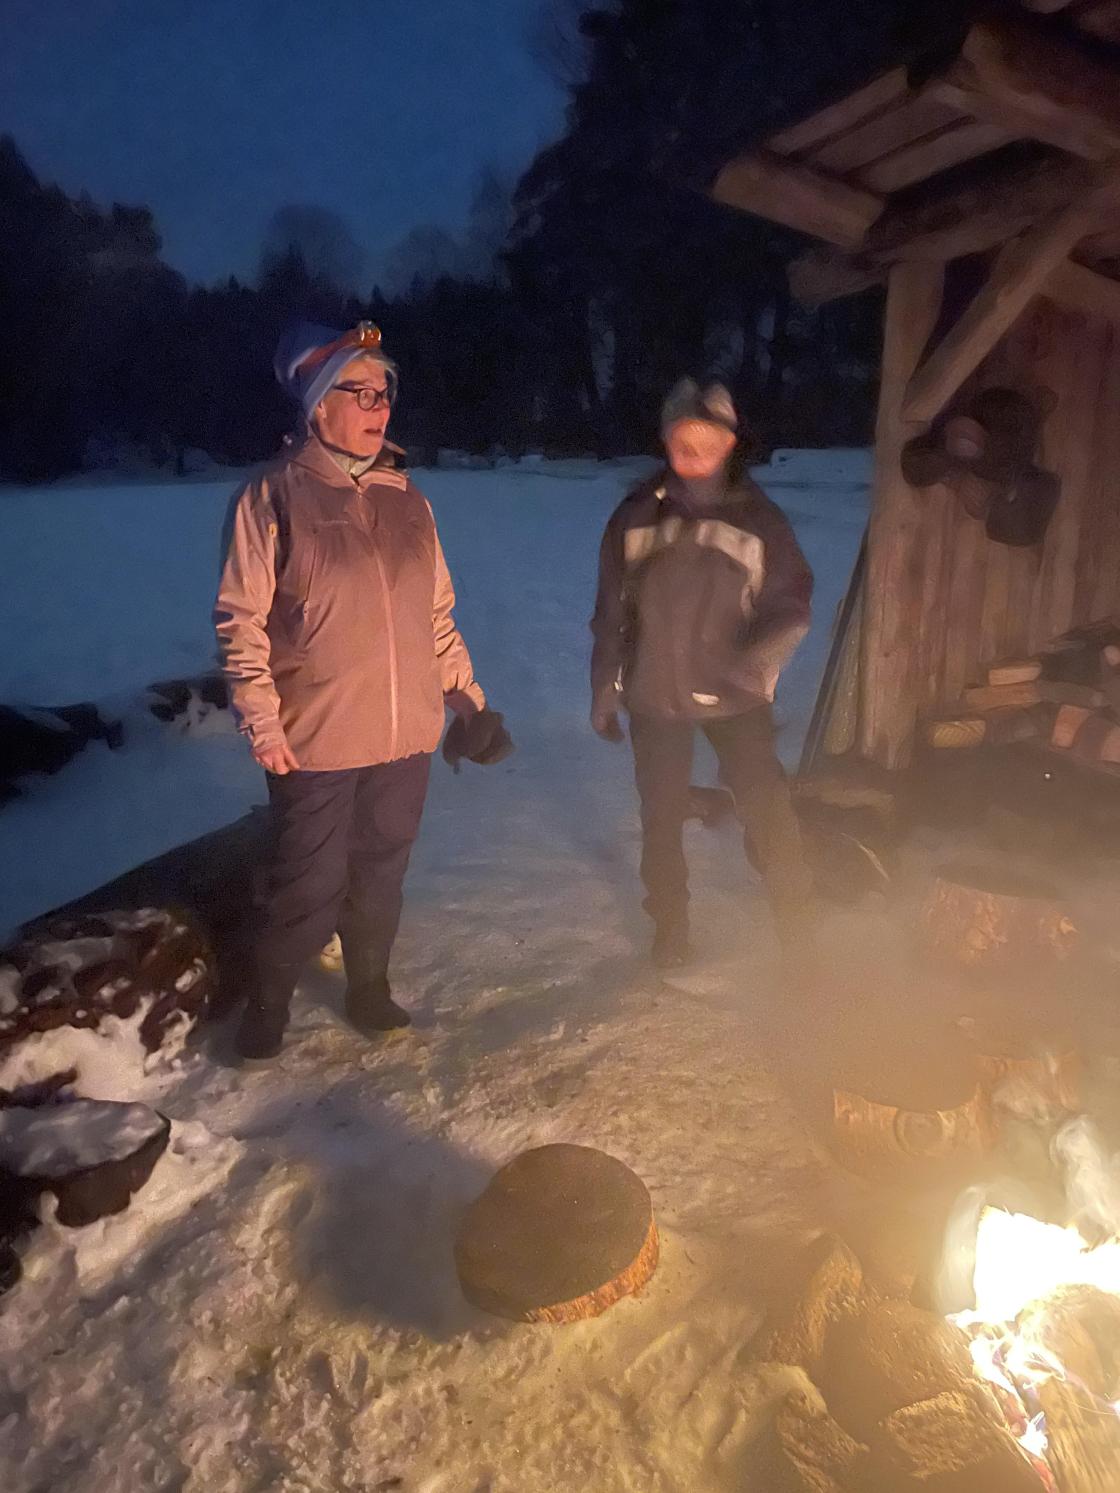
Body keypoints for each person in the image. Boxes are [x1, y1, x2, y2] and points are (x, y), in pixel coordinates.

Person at [216, 320, 511, 1060]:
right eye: (361, 392)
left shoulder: (409, 501)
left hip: (406, 735)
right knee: (308, 881)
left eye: (385, 392)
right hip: (315, 735)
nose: (380, 406)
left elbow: (435, 618)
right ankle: (269, 1000)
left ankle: (369, 985)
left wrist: (468, 701)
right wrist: (262, 722)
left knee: (382, 870)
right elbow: (241, 621)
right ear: (318, 405)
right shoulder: (272, 497)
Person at [590, 378, 815, 979]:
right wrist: (604, 686)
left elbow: (791, 605)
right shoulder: (635, 516)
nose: (694, 452)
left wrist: (754, 662)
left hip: (735, 695)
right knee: (661, 817)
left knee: (767, 808)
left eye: (707, 440)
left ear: (730, 443)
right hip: (654, 694)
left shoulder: (759, 520)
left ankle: (798, 929)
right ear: (666, 441)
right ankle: (671, 927)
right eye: (681, 440)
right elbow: (611, 612)